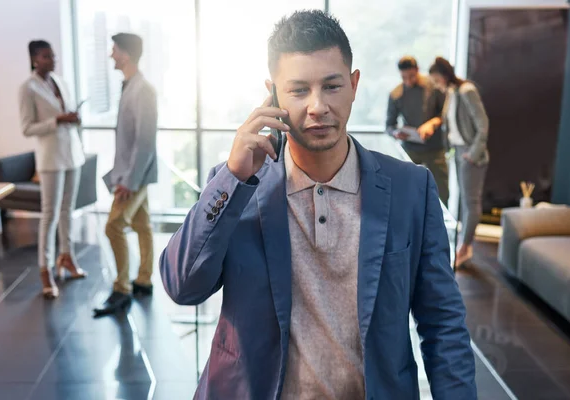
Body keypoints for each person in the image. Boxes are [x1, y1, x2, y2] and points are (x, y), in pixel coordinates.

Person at [160, 10, 476, 399]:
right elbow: (182, 287)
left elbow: (443, 324)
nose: (317, 106)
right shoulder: (237, 186)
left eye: (331, 86)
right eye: (297, 90)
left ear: (354, 84)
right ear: (272, 92)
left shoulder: (411, 188)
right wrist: (232, 176)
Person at [93, 33, 158, 317]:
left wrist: (129, 182)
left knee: (113, 226)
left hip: (136, 175)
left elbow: (144, 141)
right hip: (135, 173)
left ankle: (122, 289)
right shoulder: (132, 87)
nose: (111, 55)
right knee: (142, 225)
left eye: (115, 50)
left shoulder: (143, 89)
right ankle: (143, 280)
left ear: (126, 55)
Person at [19, 40, 87, 300]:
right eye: (47, 56)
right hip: (50, 160)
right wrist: (57, 120)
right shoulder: (27, 88)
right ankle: (45, 269)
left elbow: (65, 114)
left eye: (53, 55)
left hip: (72, 155)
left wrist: (72, 118)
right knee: (49, 215)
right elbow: (27, 128)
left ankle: (66, 257)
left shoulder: (60, 81)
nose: (52, 59)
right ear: (35, 59)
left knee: (68, 211)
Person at [429, 57, 489, 267]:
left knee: (471, 201)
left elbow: (483, 124)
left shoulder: (466, 91)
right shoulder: (452, 93)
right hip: (458, 152)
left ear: (444, 76)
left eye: (436, 80)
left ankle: (465, 247)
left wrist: (473, 154)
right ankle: (463, 245)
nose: (436, 84)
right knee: (462, 199)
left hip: (470, 154)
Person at [386, 56, 449, 205]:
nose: (408, 81)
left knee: (441, 192)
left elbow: (446, 114)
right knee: (408, 193)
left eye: (412, 76)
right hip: (410, 150)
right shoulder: (396, 94)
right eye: (404, 77)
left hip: (435, 148)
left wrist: (433, 123)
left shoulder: (434, 86)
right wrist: (396, 133)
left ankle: (441, 226)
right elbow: (389, 125)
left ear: (418, 70)